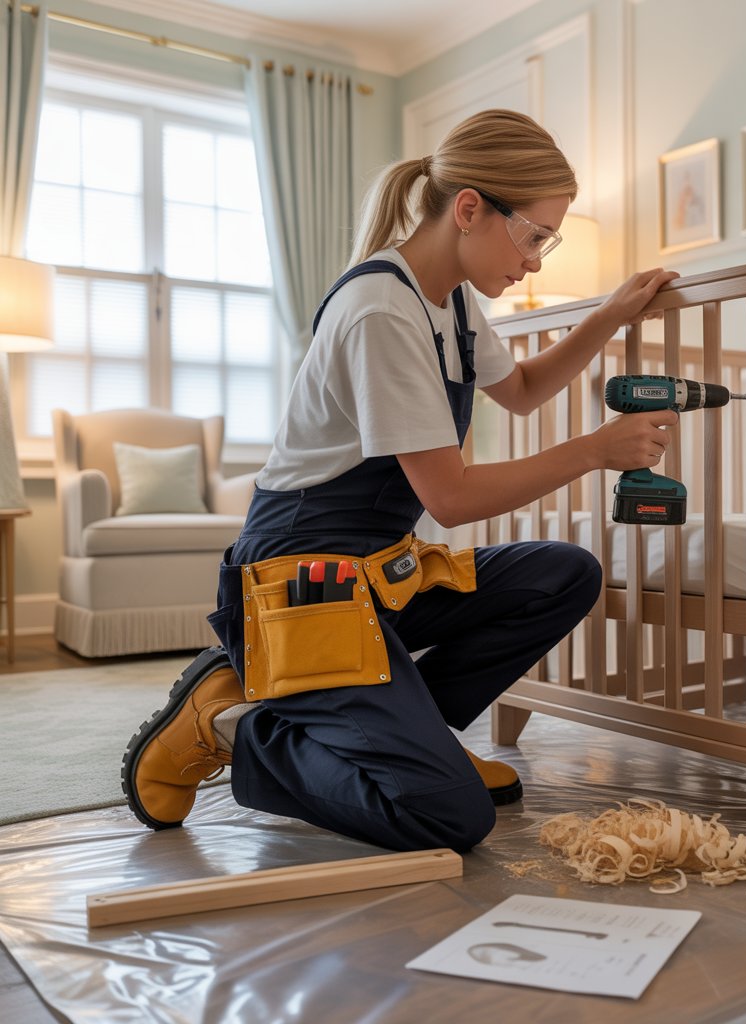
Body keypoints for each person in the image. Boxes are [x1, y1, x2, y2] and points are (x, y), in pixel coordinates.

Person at [121, 109, 678, 854]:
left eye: (550, 240)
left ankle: (422, 748)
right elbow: (449, 497)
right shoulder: (381, 309)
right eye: (534, 236)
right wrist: (593, 450)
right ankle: (236, 728)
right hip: (303, 579)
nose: (537, 260)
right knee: (450, 818)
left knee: (563, 572)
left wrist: (609, 316)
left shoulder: (451, 299)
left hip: (379, 574)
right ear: (471, 209)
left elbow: (519, 390)